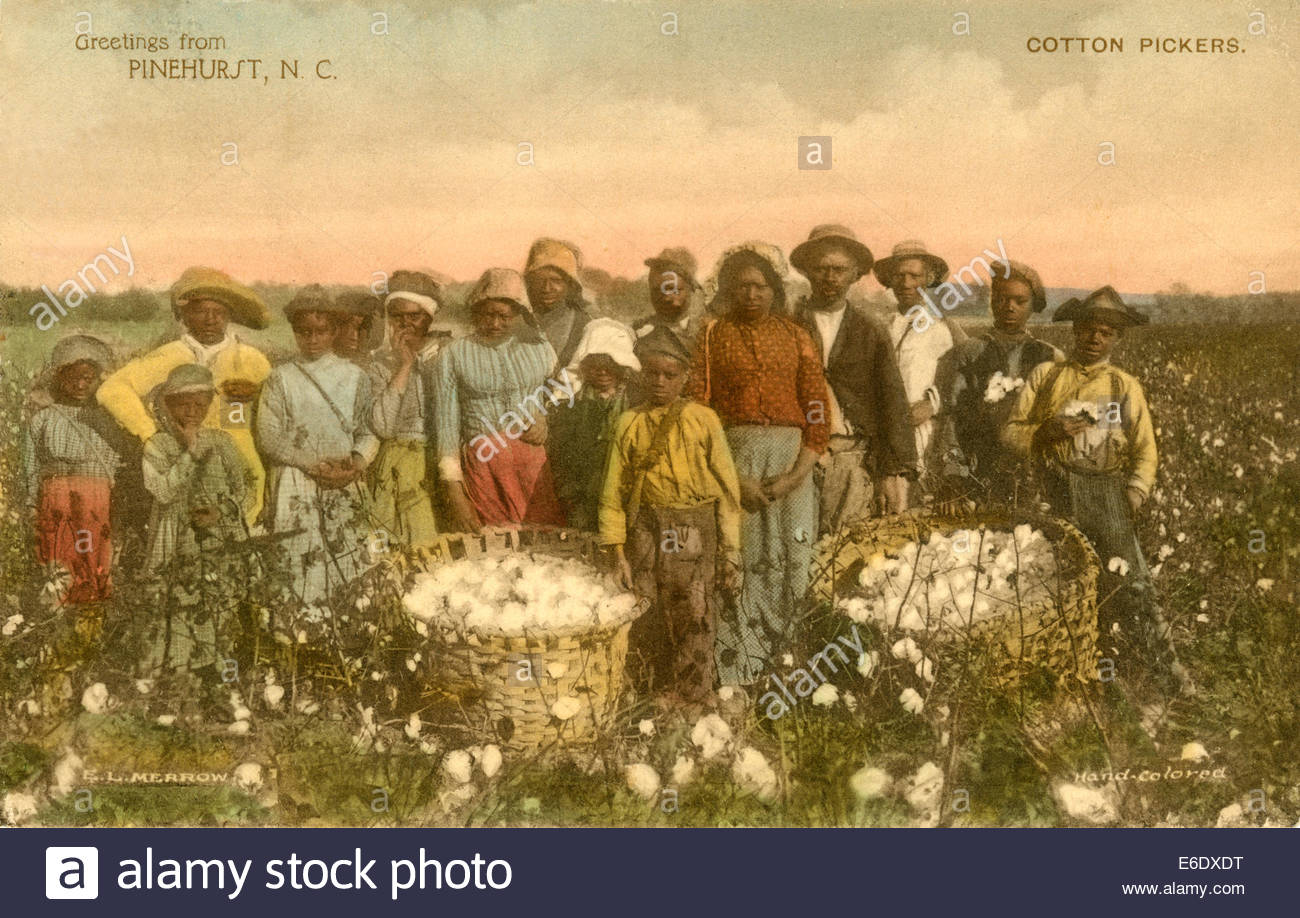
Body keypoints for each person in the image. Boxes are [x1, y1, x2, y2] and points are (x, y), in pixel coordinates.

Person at [1001, 286, 1183, 689]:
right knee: (1055, 578)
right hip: (1052, 489)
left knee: (1130, 580)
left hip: (1105, 491)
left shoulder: (1123, 386)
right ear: (1075, 330)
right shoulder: (1047, 376)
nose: (1095, 338)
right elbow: (1010, 434)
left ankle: (1162, 671)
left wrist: (1134, 493)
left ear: (1116, 338)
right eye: (1087, 329)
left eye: (1105, 332)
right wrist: (1045, 432)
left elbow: (1145, 449)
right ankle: (1066, 669)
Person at [687, 242, 829, 686]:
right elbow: (698, 410)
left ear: (774, 290)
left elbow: (817, 410)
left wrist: (795, 476)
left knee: (793, 557)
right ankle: (739, 672)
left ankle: (789, 668)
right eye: (742, 286)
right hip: (734, 461)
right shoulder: (711, 335)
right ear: (728, 290)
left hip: (792, 464)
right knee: (740, 561)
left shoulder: (796, 336)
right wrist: (733, 479)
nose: (751, 294)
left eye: (761, 286)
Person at [600, 325, 742, 708]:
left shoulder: (702, 419)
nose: (660, 382)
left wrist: (731, 549)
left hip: (690, 526)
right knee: (646, 606)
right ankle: (651, 694)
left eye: (670, 375)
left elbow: (728, 490)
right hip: (646, 527)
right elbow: (613, 491)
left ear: (686, 377)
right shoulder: (628, 423)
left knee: (692, 608)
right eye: (652, 373)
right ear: (640, 374)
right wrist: (617, 552)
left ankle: (693, 695)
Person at [96, 266, 270, 524]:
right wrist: (150, 434)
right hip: (185, 463)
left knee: (238, 543)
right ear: (184, 315)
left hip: (242, 469)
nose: (211, 319)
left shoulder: (251, 360)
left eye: (219, 312)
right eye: (200, 311)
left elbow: (273, 416)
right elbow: (112, 389)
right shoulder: (170, 355)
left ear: (229, 316)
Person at [789, 224, 916, 531]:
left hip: (852, 457)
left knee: (847, 548)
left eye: (839, 269)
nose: (830, 277)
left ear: (855, 273)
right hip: (796, 457)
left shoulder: (869, 330)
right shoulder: (788, 325)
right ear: (806, 270)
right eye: (821, 268)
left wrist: (890, 471)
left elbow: (893, 402)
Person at [256, 286, 377, 607]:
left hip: (342, 480)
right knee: (297, 565)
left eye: (321, 331)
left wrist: (356, 463)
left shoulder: (355, 377)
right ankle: (298, 639)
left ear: (335, 330)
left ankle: (349, 634)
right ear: (295, 332)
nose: (312, 339)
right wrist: (309, 463)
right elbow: (268, 435)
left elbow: (370, 429)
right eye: (303, 332)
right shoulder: (281, 378)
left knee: (346, 562)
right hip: (296, 484)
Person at [434, 268, 567, 531]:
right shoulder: (453, 355)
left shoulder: (539, 348)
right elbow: (446, 428)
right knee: (494, 549)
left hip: (532, 465)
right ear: (475, 311)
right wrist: (454, 492)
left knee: (542, 549)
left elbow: (562, 391)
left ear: (519, 314)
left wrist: (543, 416)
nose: (495, 324)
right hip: (484, 467)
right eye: (487, 315)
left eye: (504, 317)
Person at [140, 363, 249, 674]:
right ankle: (176, 673)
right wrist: (189, 452)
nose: (191, 410)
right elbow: (162, 491)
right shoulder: (157, 445)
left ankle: (215, 675)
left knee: (216, 599)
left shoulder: (222, 442)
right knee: (177, 600)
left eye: (199, 404)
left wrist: (221, 512)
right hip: (174, 535)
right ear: (169, 404)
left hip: (216, 536)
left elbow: (243, 488)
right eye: (183, 403)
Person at [938, 259, 1062, 505]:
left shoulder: (1049, 356)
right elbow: (952, 417)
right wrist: (954, 474)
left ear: (1033, 305)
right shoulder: (968, 353)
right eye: (1002, 299)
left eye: (1020, 301)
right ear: (992, 301)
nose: (1010, 307)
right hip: (977, 470)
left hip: (1034, 474)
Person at [22, 335, 122, 603]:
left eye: (88, 377)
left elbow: (119, 465)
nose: (80, 384)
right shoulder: (43, 417)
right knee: (57, 559)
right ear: (59, 377)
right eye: (72, 377)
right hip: (56, 498)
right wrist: (32, 502)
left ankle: (91, 622)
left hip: (95, 499)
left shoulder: (107, 418)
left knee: (92, 560)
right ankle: (56, 620)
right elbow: (32, 464)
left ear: (97, 379)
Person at [873, 241, 965, 483]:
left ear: (928, 279)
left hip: (920, 429)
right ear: (890, 280)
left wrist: (931, 405)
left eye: (914, 276)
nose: (906, 283)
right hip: (881, 427)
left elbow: (955, 379)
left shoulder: (939, 328)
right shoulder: (880, 325)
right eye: (899, 275)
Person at [367, 271, 443, 549]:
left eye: (415, 316)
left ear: (429, 318)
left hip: (435, 458)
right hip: (394, 465)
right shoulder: (379, 365)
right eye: (398, 317)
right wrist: (404, 366)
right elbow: (383, 426)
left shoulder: (445, 357)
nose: (406, 323)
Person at [549, 318, 640, 531]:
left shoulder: (634, 398)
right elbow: (563, 448)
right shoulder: (573, 400)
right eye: (595, 367)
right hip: (582, 482)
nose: (602, 373)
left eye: (610, 366)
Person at [523, 237, 592, 370]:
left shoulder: (584, 325)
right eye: (539, 280)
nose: (547, 288)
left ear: (570, 284)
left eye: (556, 280)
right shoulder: (518, 322)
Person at [632, 247, 706, 356]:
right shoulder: (637, 332)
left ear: (691, 287)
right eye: (656, 290)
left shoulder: (707, 330)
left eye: (672, 289)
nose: (666, 298)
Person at [332, 290, 383, 367]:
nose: (355, 337)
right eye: (352, 327)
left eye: (361, 329)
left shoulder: (378, 368)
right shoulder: (326, 364)